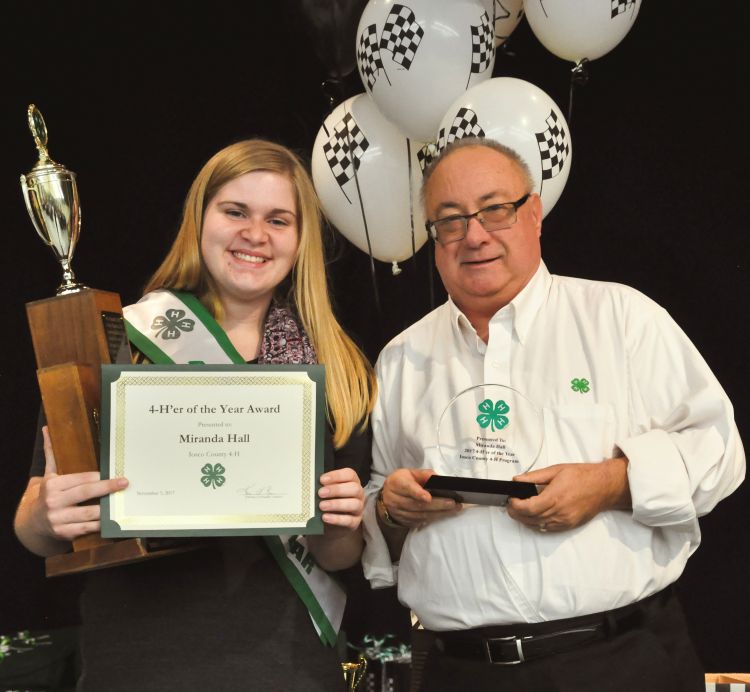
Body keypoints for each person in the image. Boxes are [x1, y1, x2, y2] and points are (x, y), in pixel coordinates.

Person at [361, 137, 745, 692]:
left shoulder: (620, 317)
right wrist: (393, 509)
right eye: (450, 220)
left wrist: (611, 483)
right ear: (432, 237)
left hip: (619, 661)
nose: (474, 235)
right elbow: (382, 510)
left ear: (534, 213)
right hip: (460, 674)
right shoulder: (402, 357)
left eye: (495, 210)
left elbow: (720, 450)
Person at [14, 139, 377, 690]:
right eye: (235, 212)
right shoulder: (119, 340)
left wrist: (341, 524)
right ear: (200, 219)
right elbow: (33, 522)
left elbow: (339, 556)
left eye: (278, 220)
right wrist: (46, 514)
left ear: (300, 240)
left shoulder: (338, 367)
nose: (255, 234)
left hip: (289, 669)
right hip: (138, 664)